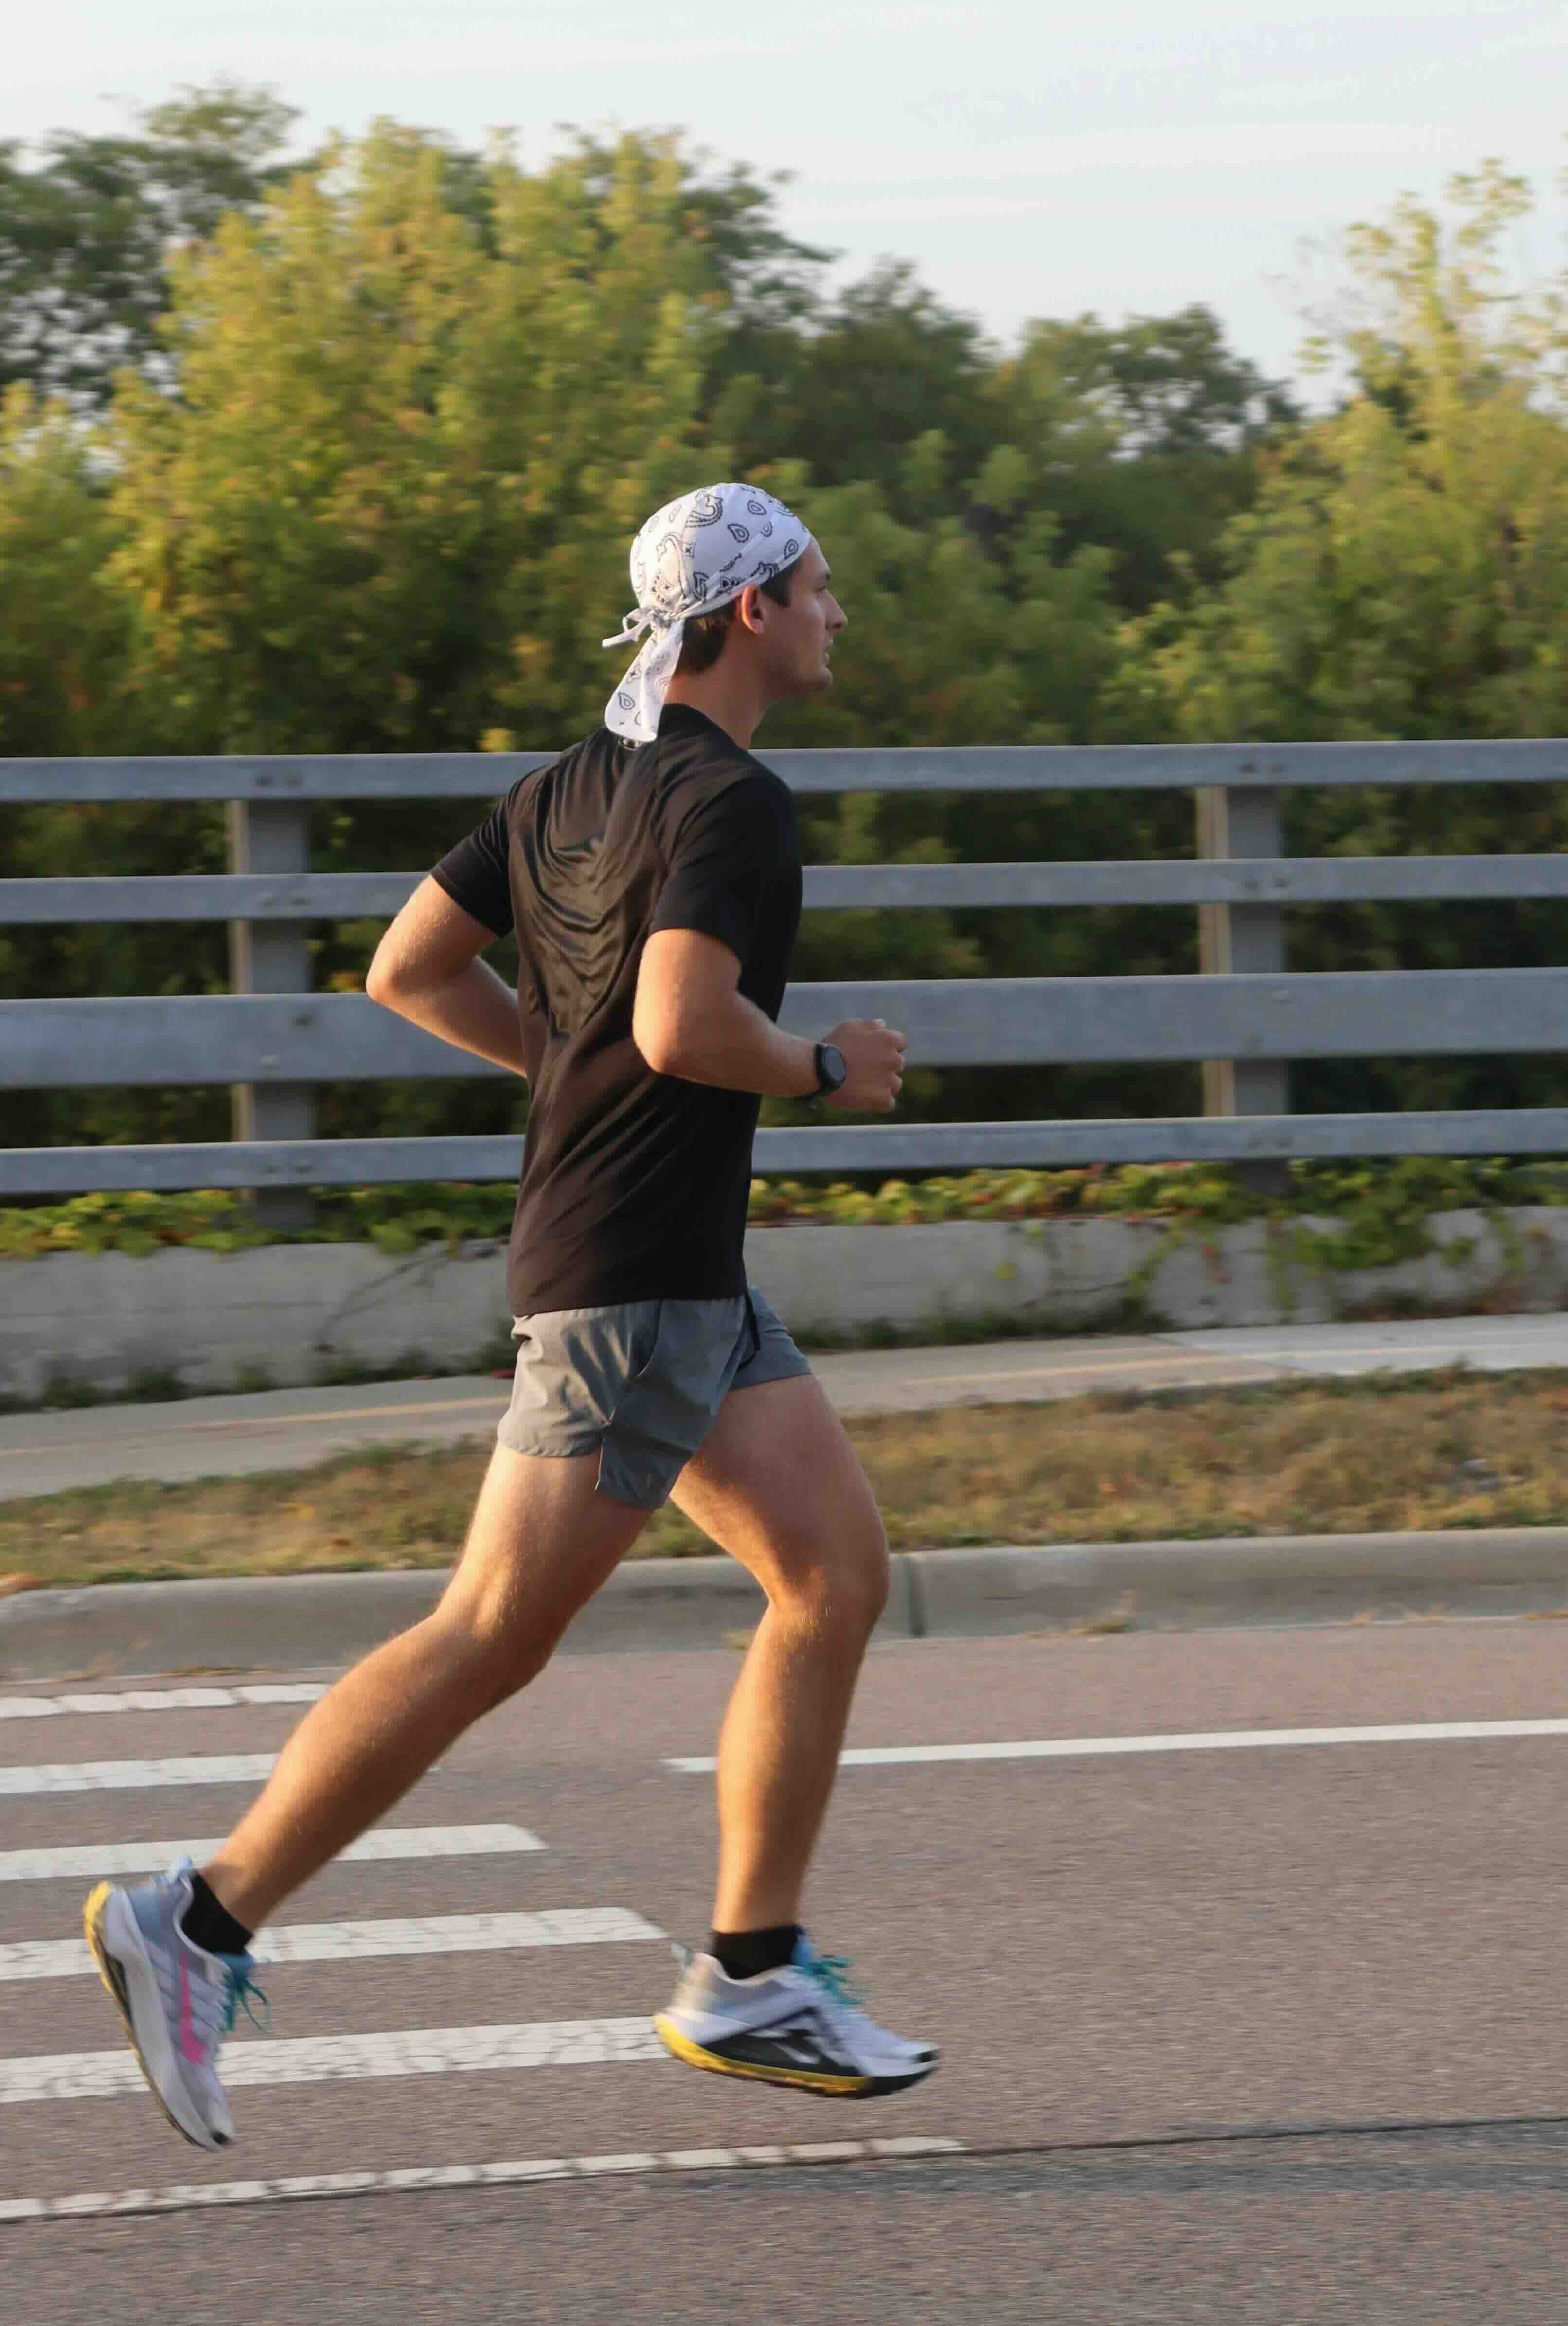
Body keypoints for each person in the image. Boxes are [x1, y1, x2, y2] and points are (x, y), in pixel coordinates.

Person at [83, 482, 936, 2151]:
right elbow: (684, 1024)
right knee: (489, 1632)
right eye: (823, 590)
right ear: (750, 611)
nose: (840, 616)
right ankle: (199, 1918)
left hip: (676, 1278)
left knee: (835, 1577)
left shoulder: (565, 786)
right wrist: (822, 1065)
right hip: (632, 1284)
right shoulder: (736, 803)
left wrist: (567, 1062)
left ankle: (751, 1975)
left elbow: (407, 966)